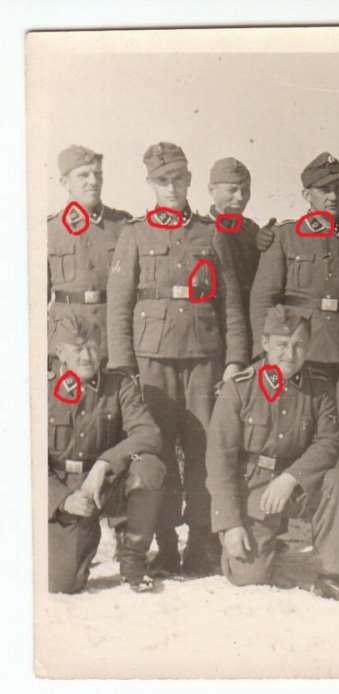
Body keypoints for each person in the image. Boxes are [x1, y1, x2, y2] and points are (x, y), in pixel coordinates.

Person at [106, 141, 249, 576]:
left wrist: (235, 360)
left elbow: (230, 303)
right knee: (160, 453)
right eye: (162, 181)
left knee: (206, 452)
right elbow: (119, 307)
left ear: (189, 180)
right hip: (152, 362)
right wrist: (124, 369)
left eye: (178, 179)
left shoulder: (211, 232)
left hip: (205, 358)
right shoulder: (134, 234)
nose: (171, 188)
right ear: (151, 183)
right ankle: (166, 544)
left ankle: (201, 543)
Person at [205, 306, 339, 601]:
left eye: (299, 345)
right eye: (282, 344)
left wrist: (291, 477)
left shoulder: (319, 386)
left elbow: (329, 442)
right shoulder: (240, 388)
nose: (290, 354)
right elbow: (219, 461)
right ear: (265, 343)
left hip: (298, 483)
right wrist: (231, 524)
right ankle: (257, 542)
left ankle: (331, 574)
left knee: (337, 481)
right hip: (254, 485)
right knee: (249, 576)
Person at [250, 153, 339, 470]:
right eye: (324, 189)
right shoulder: (285, 236)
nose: (333, 197)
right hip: (298, 355)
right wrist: (267, 356)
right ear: (306, 195)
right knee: (298, 432)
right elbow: (263, 299)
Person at [47, 314, 165, 593]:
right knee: (62, 583)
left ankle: (132, 557)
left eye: (92, 348)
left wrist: (104, 464)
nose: (87, 357)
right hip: (66, 490)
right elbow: (26, 460)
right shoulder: (43, 390)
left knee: (148, 465)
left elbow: (148, 433)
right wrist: (63, 500)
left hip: (108, 484)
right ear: (60, 353)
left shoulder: (119, 384)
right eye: (78, 349)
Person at [47, 145, 131, 362]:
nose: (93, 181)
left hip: (111, 338)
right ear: (65, 182)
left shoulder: (122, 225)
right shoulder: (50, 230)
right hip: (66, 341)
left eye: (97, 174)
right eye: (83, 175)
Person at [206, 157, 264, 314]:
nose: (240, 197)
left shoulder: (252, 231)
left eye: (245, 190)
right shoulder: (200, 230)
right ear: (212, 190)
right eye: (232, 190)